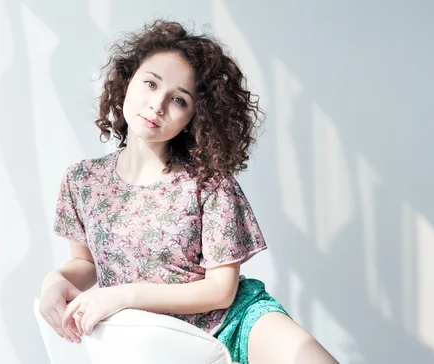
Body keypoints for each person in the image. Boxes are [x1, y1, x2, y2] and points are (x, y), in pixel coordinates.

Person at [38, 19, 338, 364]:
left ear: (195, 116)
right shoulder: (82, 180)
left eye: (178, 100)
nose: (157, 105)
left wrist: (121, 296)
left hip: (231, 324)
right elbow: (84, 261)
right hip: (149, 339)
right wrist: (54, 281)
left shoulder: (210, 182)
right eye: (150, 83)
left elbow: (221, 291)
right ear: (127, 81)